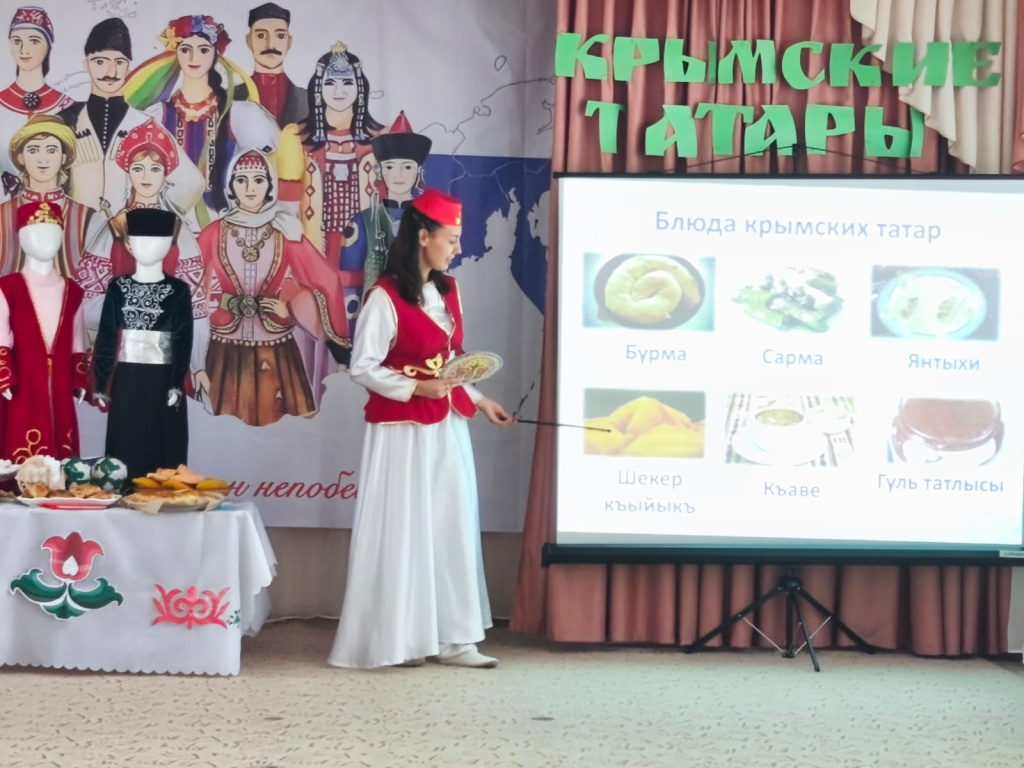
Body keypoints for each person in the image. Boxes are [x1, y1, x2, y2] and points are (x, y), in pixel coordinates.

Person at [328, 189, 514, 670]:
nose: (457, 249)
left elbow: (452, 361)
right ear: (424, 236)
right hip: (402, 431)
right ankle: (400, 639)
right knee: (404, 526)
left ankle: (455, 638)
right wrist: (415, 388)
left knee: (450, 523)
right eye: (451, 239)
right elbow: (363, 366)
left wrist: (479, 399)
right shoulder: (384, 297)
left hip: (447, 424)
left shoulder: (449, 291)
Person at [197, 149, 350, 424]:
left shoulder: (286, 231)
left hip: (275, 347)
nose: (250, 188)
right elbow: (193, 284)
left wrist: (289, 307)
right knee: (222, 427)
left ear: (270, 186)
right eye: (241, 180)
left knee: (279, 426)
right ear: (230, 186)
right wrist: (219, 303)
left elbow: (324, 279)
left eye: (258, 180)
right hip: (223, 347)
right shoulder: (213, 232)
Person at [77, 119, 209, 390]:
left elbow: (196, 306)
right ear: (128, 172)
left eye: (155, 168)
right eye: (138, 168)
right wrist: (128, 311)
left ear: (165, 174)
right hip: (117, 354)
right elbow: (84, 302)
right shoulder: (113, 227)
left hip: (167, 354)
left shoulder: (179, 229)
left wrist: (198, 365)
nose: (146, 176)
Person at [124, 15, 279, 226]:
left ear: (216, 54)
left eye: (203, 50)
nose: (193, 57)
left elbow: (272, 166)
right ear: (176, 53)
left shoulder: (240, 113)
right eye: (185, 49)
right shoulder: (157, 116)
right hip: (171, 221)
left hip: (226, 222)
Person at [57, 18, 203, 217]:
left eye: (119, 62)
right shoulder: (66, 122)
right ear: (86, 64)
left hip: (126, 235)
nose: (111, 72)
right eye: (100, 61)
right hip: (76, 232)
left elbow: (193, 183)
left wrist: (149, 217)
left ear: (128, 67)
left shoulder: (144, 125)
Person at [340, 110, 430, 327]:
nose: (398, 175)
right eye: (390, 166)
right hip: (374, 322)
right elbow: (349, 281)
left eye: (407, 167)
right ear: (380, 171)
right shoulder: (362, 222)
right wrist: (352, 330)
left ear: (418, 171)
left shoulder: (428, 222)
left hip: (418, 321)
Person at [0, 115, 93, 278]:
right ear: (21, 158)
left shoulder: (88, 217)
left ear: (63, 158)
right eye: (33, 150)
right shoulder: (2, 214)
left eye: (51, 150)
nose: (42, 159)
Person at [0, 7, 72, 187]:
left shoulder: (68, 106)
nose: (24, 50)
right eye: (17, 41)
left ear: (48, 45)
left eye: (34, 41)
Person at [235, 3, 307, 128]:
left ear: (289, 42)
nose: (271, 45)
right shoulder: (234, 97)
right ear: (249, 40)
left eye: (280, 36)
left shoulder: (307, 99)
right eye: (261, 36)